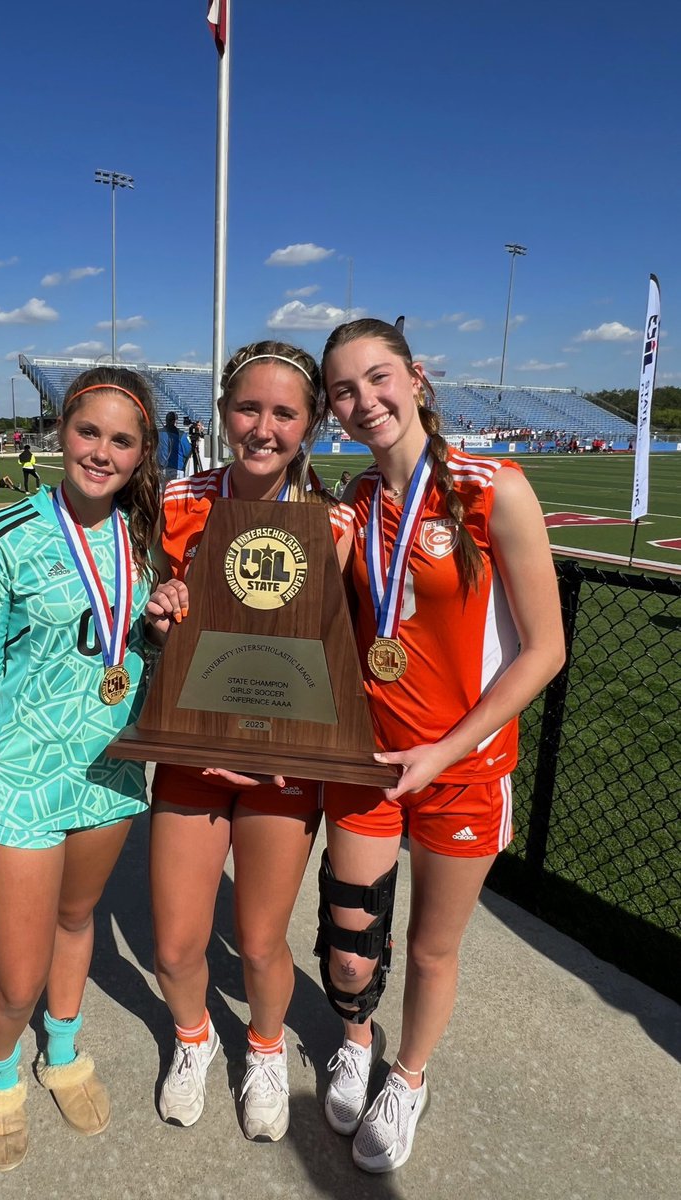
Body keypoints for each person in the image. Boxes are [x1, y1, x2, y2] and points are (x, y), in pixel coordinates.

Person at [315, 319, 564, 1173]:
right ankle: (356, 1040)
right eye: (343, 390)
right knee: (352, 939)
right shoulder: (350, 500)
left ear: (416, 378)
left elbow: (545, 649)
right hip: (369, 760)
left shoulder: (495, 487)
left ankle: (408, 1078)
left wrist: (447, 750)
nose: (363, 401)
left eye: (377, 378)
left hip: (464, 770)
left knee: (428, 947)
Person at [0, 366, 161, 1172]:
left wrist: (162, 620)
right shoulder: (9, 532)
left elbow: (134, 643)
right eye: (88, 432)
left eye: (121, 440)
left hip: (108, 772)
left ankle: (60, 1055)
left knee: (80, 922)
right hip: (20, 777)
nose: (101, 452)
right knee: (17, 974)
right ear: (61, 431)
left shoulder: (144, 537)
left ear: (142, 456)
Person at [144, 341, 356, 1143]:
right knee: (173, 944)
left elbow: (335, 653)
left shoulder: (333, 520)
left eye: (283, 413)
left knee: (263, 942)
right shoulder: (179, 499)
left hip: (282, 764)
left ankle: (264, 1049)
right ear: (223, 411)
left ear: (309, 425)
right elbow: (156, 627)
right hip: (194, 751)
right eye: (247, 408)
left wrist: (279, 744)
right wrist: (159, 607)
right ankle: (195, 1040)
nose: (262, 427)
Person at [156, 411, 190, 486]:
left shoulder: (158, 433)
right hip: (177, 469)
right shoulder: (181, 435)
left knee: (163, 494)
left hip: (161, 469)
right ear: (175, 421)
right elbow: (188, 452)